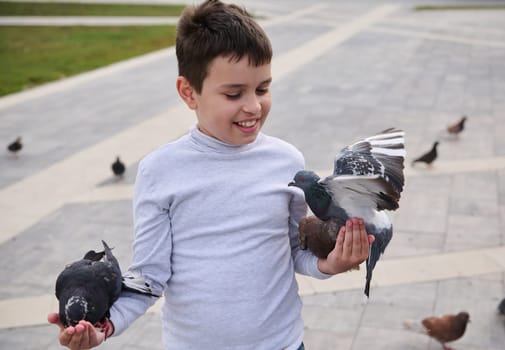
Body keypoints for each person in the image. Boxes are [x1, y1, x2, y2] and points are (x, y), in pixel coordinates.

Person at [48, 0, 374, 349]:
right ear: (189, 92)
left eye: (262, 89)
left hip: (282, 344)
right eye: (234, 93)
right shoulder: (160, 170)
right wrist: (105, 326)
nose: (253, 106)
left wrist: (330, 263)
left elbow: (295, 250)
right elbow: (150, 275)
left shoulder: (287, 161)